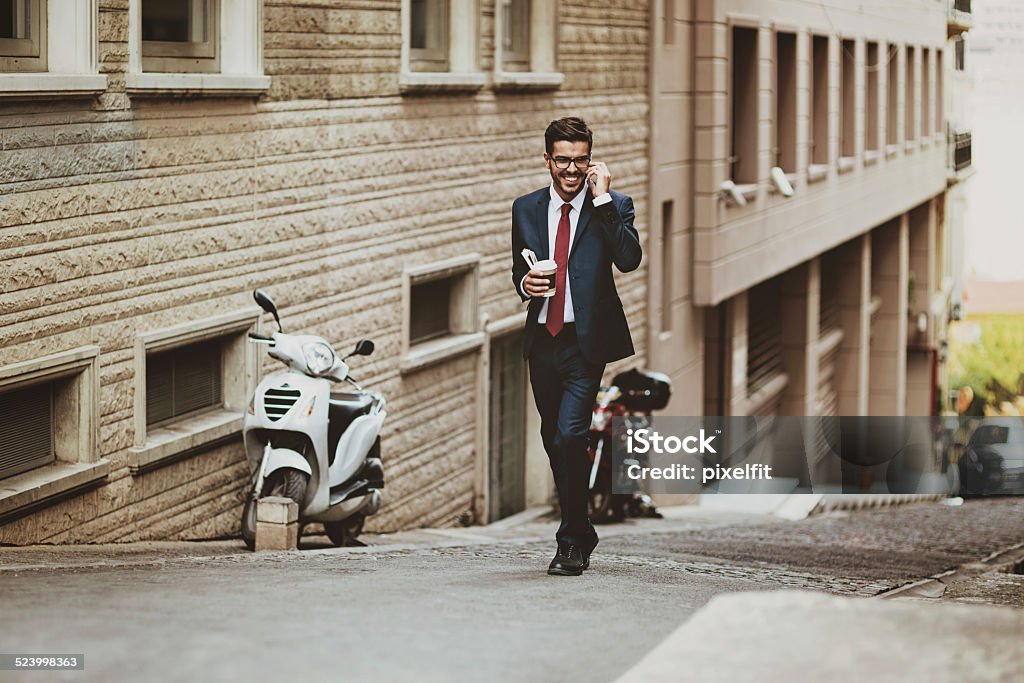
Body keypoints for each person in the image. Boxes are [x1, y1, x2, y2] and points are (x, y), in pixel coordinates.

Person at [510, 117, 642, 576]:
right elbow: (519, 271)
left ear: (591, 161)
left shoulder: (613, 205)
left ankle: (569, 542)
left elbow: (628, 259)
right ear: (547, 160)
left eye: (580, 160)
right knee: (554, 439)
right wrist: (525, 284)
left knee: (570, 435)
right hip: (542, 339)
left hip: (585, 344)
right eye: (562, 160)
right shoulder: (524, 208)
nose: (571, 169)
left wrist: (603, 198)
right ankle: (583, 527)